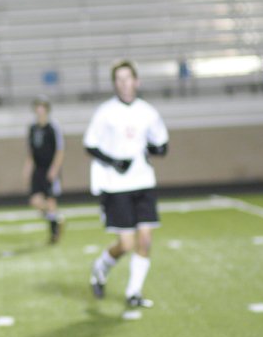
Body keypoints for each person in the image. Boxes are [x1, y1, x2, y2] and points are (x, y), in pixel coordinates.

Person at [85, 60, 169, 308]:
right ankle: (100, 268)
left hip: (143, 182)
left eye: (128, 78)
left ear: (137, 81)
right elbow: (90, 144)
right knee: (126, 244)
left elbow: (161, 144)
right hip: (116, 186)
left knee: (144, 240)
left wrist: (157, 148)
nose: (124, 83)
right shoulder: (105, 112)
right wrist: (114, 161)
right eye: (119, 79)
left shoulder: (147, 111)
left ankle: (134, 292)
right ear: (115, 84)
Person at [21, 95, 65, 244]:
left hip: (50, 168)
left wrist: (54, 169)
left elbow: (59, 150)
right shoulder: (32, 128)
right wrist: (28, 167)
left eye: (42, 107)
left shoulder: (53, 127)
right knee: (35, 201)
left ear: (46, 109)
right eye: (37, 107)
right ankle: (56, 219)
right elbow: (31, 151)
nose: (40, 110)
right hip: (38, 168)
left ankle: (54, 234)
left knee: (51, 200)